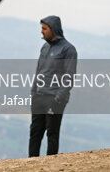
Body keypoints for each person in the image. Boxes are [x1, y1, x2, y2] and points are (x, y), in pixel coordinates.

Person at [29, 15, 77, 157]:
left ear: (53, 29)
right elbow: (39, 70)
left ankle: (51, 165)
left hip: (54, 99)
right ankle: (31, 164)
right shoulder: (44, 48)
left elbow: (70, 75)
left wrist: (58, 97)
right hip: (39, 97)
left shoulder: (68, 49)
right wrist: (33, 92)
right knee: (35, 132)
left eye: (44, 28)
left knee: (52, 133)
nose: (41, 31)